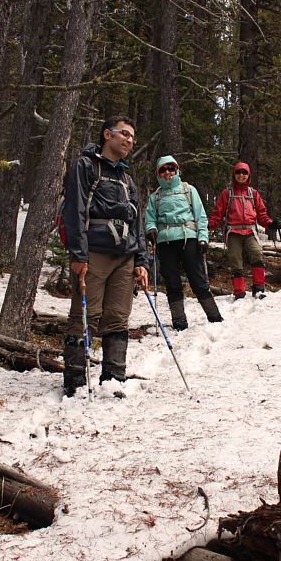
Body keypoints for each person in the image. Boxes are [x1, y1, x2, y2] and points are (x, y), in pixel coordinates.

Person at [62, 115, 149, 397]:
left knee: (118, 316)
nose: (128, 140)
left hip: (124, 256)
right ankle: (75, 380)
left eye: (132, 137)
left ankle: (113, 377)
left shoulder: (127, 179)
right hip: (94, 253)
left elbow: (136, 223)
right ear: (106, 135)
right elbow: (74, 210)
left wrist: (141, 261)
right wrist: (79, 253)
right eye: (124, 134)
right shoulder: (85, 166)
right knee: (84, 314)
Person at [144, 155, 223, 330]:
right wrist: (151, 230)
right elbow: (150, 219)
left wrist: (203, 239)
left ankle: (214, 316)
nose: (167, 172)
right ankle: (179, 320)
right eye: (163, 169)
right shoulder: (155, 196)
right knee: (172, 282)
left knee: (198, 279)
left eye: (170, 168)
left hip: (189, 239)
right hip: (165, 243)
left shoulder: (189, 190)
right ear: (158, 173)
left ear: (176, 170)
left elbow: (201, 216)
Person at [208, 161, 281, 299]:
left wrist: (271, 224)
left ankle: (258, 288)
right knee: (235, 259)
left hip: (250, 231)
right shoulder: (227, 194)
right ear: (234, 175)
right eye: (238, 173)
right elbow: (217, 214)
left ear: (248, 175)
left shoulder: (253, 193)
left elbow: (261, 214)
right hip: (233, 232)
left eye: (244, 173)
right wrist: (209, 225)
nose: (241, 175)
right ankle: (239, 291)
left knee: (257, 253)